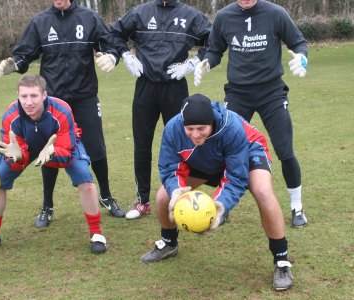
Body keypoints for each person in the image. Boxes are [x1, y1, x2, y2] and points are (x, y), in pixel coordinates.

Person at [141, 94, 294, 291]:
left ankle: (281, 261)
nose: (195, 134)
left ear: (211, 122)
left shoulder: (232, 128)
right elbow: (170, 167)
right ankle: (169, 243)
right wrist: (176, 191)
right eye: (190, 129)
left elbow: (236, 177)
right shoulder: (173, 128)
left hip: (247, 151)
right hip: (204, 159)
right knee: (164, 196)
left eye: (201, 129)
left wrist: (220, 206)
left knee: (263, 192)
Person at [0, 0, 125, 228]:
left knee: (96, 148)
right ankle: (47, 205)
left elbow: (110, 43)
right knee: (48, 149)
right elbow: (24, 53)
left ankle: (106, 196)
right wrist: (14, 63)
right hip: (53, 100)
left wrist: (112, 56)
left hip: (85, 96)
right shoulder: (40, 21)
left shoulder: (89, 17)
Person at [194, 0, 308, 227]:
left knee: (285, 150)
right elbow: (215, 50)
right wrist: (206, 62)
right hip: (238, 94)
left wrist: (302, 57)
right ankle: (221, 205)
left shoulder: (276, 13)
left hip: (271, 93)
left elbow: (298, 42)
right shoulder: (224, 17)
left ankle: (297, 206)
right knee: (223, 149)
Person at [0, 74, 107, 254]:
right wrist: (18, 157)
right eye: (24, 96)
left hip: (59, 147)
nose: (28, 102)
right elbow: (16, 156)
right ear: (18, 96)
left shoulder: (62, 110)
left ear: (44, 95)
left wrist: (52, 153)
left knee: (85, 178)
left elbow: (66, 154)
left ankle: (96, 234)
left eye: (34, 96)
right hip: (27, 147)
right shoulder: (10, 116)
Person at [110, 0, 211, 219]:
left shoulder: (191, 15)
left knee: (182, 143)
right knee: (142, 144)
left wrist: (194, 62)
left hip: (175, 86)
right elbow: (114, 34)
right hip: (145, 86)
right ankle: (142, 201)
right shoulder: (141, 12)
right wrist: (125, 54)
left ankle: (184, 195)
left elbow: (215, 40)